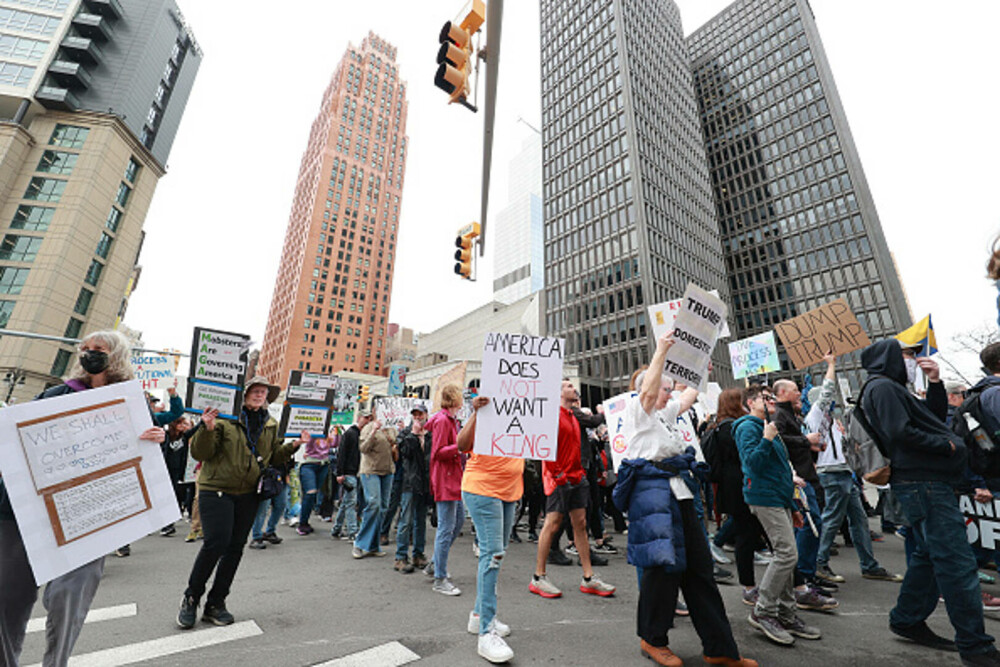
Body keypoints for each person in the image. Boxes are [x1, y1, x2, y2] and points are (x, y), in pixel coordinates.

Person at [0, 330, 166, 666]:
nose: (89, 354)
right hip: (20, 515)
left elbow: (139, 454)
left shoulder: (131, 404)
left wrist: (153, 438)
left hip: (87, 518)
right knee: (7, 601)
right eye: (85, 349)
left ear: (115, 356)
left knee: (68, 598)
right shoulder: (55, 394)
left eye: (99, 350)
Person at [613, 332, 756, 667]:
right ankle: (652, 639)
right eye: (666, 387)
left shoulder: (666, 415)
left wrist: (699, 366)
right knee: (662, 571)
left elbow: (690, 395)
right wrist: (662, 349)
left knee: (700, 571)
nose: (670, 391)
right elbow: (650, 390)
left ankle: (719, 647)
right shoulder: (639, 409)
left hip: (680, 495)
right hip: (654, 498)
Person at [860, 339, 1000, 665]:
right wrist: (947, 446)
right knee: (956, 563)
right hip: (923, 483)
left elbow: (932, 417)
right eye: (908, 354)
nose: (914, 359)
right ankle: (976, 646)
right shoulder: (882, 387)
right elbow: (900, 431)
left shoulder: (894, 389)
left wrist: (935, 382)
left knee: (927, 556)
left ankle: (907, 619)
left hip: (927, 482)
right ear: (891, 358)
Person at [178, 376, 307, 629]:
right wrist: (208, 427)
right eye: (255, 391)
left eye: (264, 392)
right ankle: (191, 598)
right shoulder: (224, 418)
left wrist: (295, 444)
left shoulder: (271, 424)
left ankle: (216, 603)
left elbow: (272, 457)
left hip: (248, 492)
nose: (260, 395)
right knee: (216, 543)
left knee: (235, 547)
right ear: (244, 394)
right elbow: (200, 453)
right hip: (216, 488)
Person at [734, 384, 823, 647]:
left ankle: (785, 613)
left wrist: (793, 506)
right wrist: (767, 438)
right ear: (750, 403)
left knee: (787, 554)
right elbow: (752, 464)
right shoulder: (748, 427)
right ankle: (764, 611)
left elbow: (782, 470)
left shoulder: (768, 426)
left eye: (772, 397)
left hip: (779, 497)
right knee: (787, 554)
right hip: (764, 497)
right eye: (765, 398)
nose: (772, 401)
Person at [810, 353, 901, 584]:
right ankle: (819, 563)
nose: (830, 401)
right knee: (832, 519)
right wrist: (831, 364)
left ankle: (869, 565)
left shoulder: (830, 421)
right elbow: (828, 390)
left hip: (843, 474)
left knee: (858, 521)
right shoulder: (815, 415)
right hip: (832, 474)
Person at [529, 379, 615, 600]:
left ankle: (588, 577)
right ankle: (538, 577)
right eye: (567, 385)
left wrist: (579, 475)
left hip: (577, 478)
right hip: (559, 479)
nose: (572, 387)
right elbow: (544, 449)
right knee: (552, 523)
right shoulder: (552, 415)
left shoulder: (573, 416)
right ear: (558, 393)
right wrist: (557, 475)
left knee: (581, 524)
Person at [457, 395, 522, 663]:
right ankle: (486, 632)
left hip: (509, 490)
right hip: (483, 488)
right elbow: (461, 445)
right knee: (492, 555)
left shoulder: (526, 412)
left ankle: (479, 616)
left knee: (498, 553)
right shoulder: (486, 409)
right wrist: (476, 413)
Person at [706, 387, 763, 606]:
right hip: (739, 486)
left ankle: (750, 585)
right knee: (745, 535)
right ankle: (749, 586)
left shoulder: (723, 425)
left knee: (745, 532)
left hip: (733, 486)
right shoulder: (733, 428)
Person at [772, 376, 825, 588]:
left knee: (808, 525)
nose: (799, 393)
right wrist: (806, 441)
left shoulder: (792, 414)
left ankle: (806, 572)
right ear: (783, 393)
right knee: (810, 524)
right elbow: (779, 440)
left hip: (806, 475)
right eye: (795, 390)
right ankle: (803, 574)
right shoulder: (780, 415)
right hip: (798, 479)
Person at [427, 384, 466, 596]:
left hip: (451, 479)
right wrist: (461, 446)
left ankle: (436, 564)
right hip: (446, 479)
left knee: (456, 522)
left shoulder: (448, 420)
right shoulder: (444, 421)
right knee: (446, 527)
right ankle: (439, 577)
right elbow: (439, 452)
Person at [353, 414, 397, 559]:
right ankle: (359, 543)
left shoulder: (391, 429)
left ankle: (373, 544)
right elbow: (363, 448)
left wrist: (398, 434)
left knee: (383, 508)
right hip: (371, 471)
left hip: (387, 471)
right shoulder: (368, 428)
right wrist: (373, 432)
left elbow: (397, 448)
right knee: (374, 504)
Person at [395, 403, 431, 573]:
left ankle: (418, 554)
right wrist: (414, 434)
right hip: (409, 483)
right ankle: (401, 557)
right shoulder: (405, 433)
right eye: (415, 414)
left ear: (425, 415)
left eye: (420, 414)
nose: (418, 417)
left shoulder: (431, 433)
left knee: (420, 521)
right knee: (405, 521)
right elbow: (406, 453)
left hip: (424, 483)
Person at [332, 411, 368, 541]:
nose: (367, 420)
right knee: (351, 503)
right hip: (349, 472)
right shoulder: (350, 433)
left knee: (346, 502)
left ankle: (336, 528)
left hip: (358, 472)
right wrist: (340, 472)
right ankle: (352, 531)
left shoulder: (364, 434)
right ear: (359, 418)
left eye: (370, 418)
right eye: (365, 418)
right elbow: (341, 453)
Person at [161, 416, 195, 537]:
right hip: (165, 471)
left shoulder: (184, 437)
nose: (182, 426)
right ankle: (166, 524)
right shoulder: (166, 436)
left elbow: (194, 430)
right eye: (179, 424)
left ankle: (169, 524)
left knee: (176, 497)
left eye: (184, 424)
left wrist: (203, 421)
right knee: (166, 497)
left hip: (179, 472)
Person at [296, 434, 333, 536]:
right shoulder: (313, 431)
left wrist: (336, 433)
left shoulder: (327, 434)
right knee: (310, 493)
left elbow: (334, 444)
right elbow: (309, 443)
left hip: (323, 465)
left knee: (314, 494)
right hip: (309, 464)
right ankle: (302, 523)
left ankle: (305, 521)